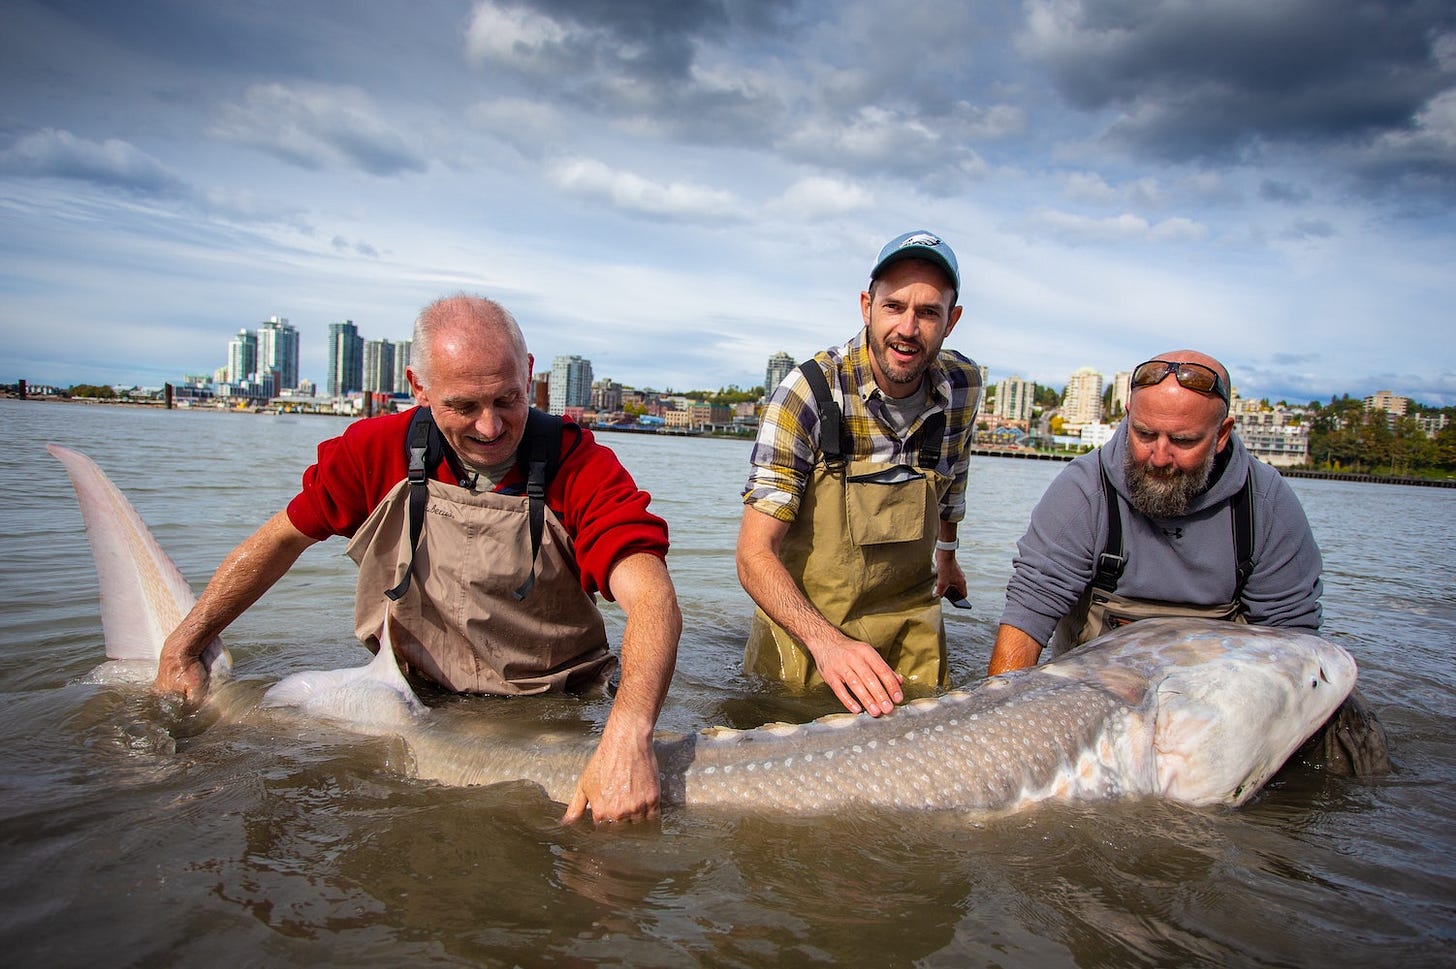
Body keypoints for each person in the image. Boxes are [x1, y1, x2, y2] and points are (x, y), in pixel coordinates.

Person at [155, 294, 682, 823]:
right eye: (463, 406)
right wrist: (183, 644)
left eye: (507, 400)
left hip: (553, 702)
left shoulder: (579, 463)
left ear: (528, 374)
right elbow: (278, 543)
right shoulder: (373, 451)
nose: (490, 428)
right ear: (418, 387)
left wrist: (628, 735)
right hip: (408, 694)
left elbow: (653, 598)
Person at [988, 350, 1388, 775]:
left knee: (1349, 738)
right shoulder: (1084, 491)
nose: (1159, 457)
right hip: (1099, 695)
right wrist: (995, 734)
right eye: (1143, 434)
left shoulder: (1266, 505)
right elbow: (1027, 617)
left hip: (1219, 702)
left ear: (1221, 434)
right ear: (1127, 416)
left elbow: (1292, 649)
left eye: (1182, 441)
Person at [737, 230, 983, 718]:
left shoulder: (963, 384)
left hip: (911, 623)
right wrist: (827, 644)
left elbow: (952, 479)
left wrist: (948, 556)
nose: (908, 329)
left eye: (929, 312)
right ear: (867, 305)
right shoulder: (807, 392)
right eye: (894, 306)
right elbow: (752, 555)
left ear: (951, 321)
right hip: (808, 631)